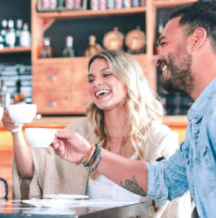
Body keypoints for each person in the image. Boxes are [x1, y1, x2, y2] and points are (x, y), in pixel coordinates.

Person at [51, 1, 216, 217]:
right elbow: (164, 181)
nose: (158, 57)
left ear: (196, 40)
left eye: (164, 44)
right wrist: (90, 154)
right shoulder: (201, 119)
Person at [3, 50, 191, 217]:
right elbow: (31, 172)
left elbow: (174, 207)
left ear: (128, 81)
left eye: (107, 75)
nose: (96, 83)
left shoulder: (159, 140)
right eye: (91, 79)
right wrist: (16, 131)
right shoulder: (79, 132)